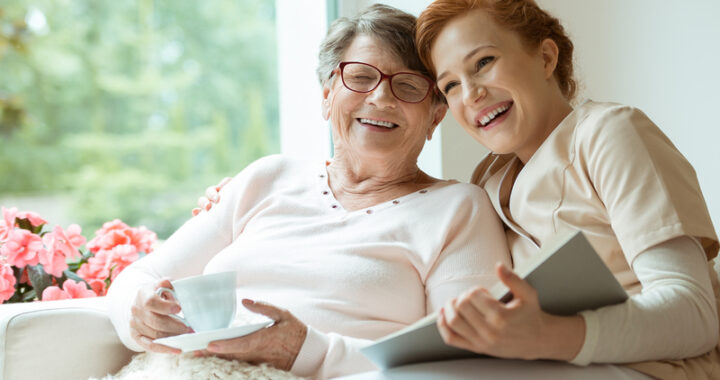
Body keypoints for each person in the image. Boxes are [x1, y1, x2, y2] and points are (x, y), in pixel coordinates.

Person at [106, 4, 511, 379]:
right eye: (361, 76)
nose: (381, 97)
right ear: (326, 95)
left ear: (435, 116)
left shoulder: (458, 209)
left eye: (408, 86)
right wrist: (138, 312)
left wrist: (309, 351)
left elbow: (461, 357)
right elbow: (142, 276)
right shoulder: (268, 177)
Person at [411, 0, 720, 379]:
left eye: (483, 62)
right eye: (451, 85)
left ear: (545, 58)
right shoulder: (486, 182)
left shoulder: (609, 133)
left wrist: (547, 336)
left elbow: (695, 314)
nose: (471, 93)